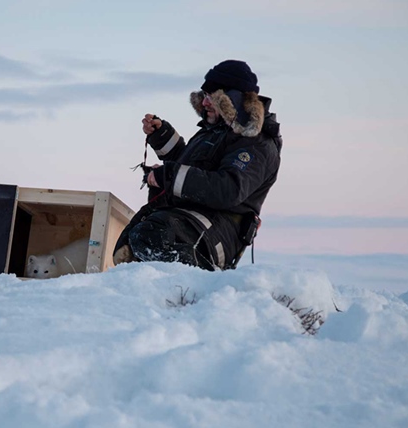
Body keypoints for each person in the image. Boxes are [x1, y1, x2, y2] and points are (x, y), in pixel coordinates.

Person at [113, 59, 282, 270]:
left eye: (211, 97)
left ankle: (194, 287)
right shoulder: (216, 131)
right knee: (129, 243)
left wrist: (169, 176)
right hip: (188, 222)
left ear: (231, 100)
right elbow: (192, 167)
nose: (204, 103)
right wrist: (162, 137)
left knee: (151, 235)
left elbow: (227, 189)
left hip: (217, 231)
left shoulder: (257, 144)